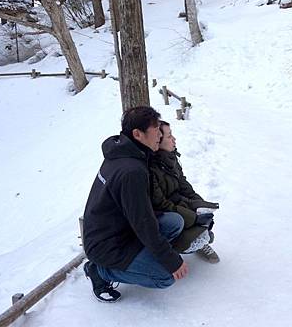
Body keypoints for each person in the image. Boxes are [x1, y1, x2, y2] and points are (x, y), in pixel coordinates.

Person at [82, 106, 188, 302]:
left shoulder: (126, 152)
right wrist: (171, 261)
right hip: (107, 245)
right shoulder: (132, 170)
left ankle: (141, 257)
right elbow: (143, 223)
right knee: (165, 276)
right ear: (138, 134)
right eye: (156, 132)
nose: (159, 136)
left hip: (121, 229)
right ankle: (100, 271)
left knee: (175, 222)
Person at [150, 121, 221, 263]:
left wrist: (198, 202)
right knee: (184, 222)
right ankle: (170, 253)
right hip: (165, 214)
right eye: (169, 136)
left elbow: (183, 184)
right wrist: (193, 217)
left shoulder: (171, 158)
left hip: (177, 204)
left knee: (203, 212)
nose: (174, 139)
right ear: (158, 141)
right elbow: (161, 203)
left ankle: (201, 241)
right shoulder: (150, 169)